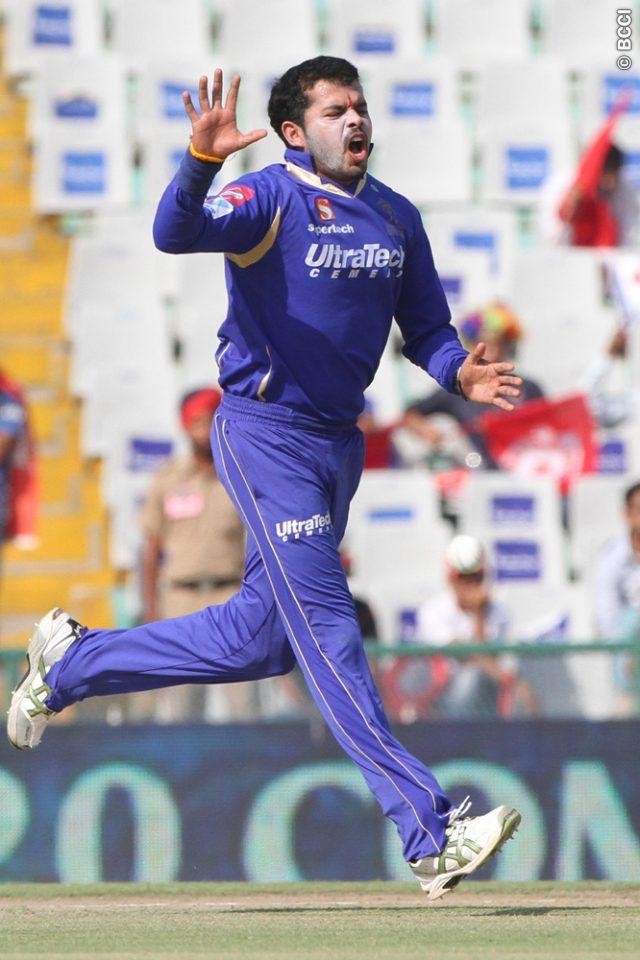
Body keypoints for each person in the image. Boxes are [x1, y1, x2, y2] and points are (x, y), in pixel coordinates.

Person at [8, 57, 523, 900]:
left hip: (335, 446)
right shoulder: (273, 198)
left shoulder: (396, 215)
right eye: (335, 110)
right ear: (293, 131)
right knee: (328, 625)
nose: (355, 120)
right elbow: (174, 232)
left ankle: (72, 665)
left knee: (263, 641)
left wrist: (459, 371)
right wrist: (200, 163)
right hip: (264, 433)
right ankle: (429, 833)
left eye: (359, 106)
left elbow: (428, 330)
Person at [138, 386, 249, 722]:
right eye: (196, 421)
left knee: (243, 702)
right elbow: (151, 550)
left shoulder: (240, 475)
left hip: (230, 595)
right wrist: (152, 612)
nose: (203, 429)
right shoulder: (168, 478)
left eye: (209, 420)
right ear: (185, 426)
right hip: (180, 599)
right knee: (181, 703)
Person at [401, 302, 544, 470]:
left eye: (498, 343)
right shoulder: (458, 387)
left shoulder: (528, 387)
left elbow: (549, 427)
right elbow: (410, 414)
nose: (493, 351)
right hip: (480, 475)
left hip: (525, 470)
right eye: (485, 344)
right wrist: (427, 431)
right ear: (473, 346)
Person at [414, 535, 538, 719]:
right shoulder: (432, 611)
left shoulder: (501, 613)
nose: (470, 583)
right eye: (463, 577)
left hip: (492, 693)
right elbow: (467, 655)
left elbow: (507, 661)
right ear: (450, 579)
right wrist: (510, 681)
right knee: (472, 677)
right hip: (441, 698)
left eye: (476, 576)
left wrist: (479, 614)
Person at [594, 480, 640, 717]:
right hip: (627, 652)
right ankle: (626, 704)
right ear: (627, 513)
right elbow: (608, 619)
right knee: (630, 620)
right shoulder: (612, 556)